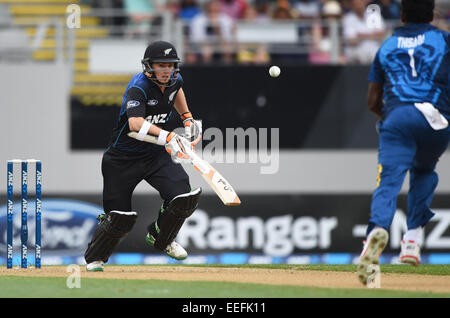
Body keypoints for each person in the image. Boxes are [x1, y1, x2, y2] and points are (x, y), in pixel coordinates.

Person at [84, 41, 203, 272]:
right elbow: (135, 124)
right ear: (149, 66)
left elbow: (176, 90)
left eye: (170, 65)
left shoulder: (175, 80)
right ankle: (95, 258)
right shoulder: (138, 86)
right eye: (161, 65)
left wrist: (187, 117)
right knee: (118, 218)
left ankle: (162, 238)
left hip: (153, 155)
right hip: (122, 160)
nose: (167, 70)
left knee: (183, 196)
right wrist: (169, 137)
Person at [357, 0, 449, 285]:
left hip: (397, 117)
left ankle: (375, 232)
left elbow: (373, 100)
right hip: (436, 120)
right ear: (432, 13)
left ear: (403, 14)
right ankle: (412, 240)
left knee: (389, 181)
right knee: (424, 171)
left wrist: (387, 118)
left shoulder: (386, 46)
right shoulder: (444, 40)